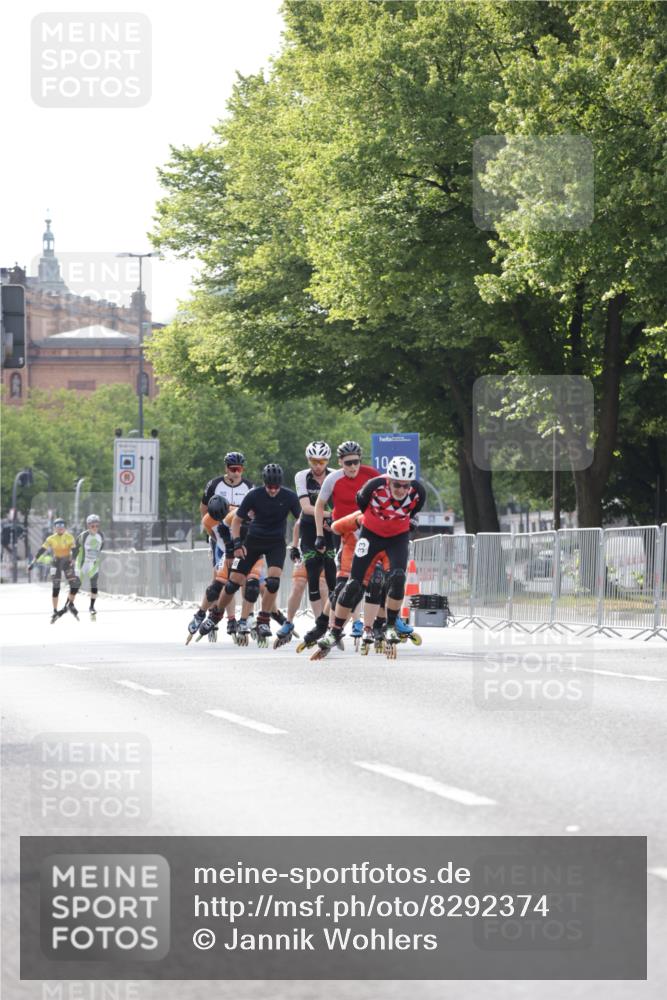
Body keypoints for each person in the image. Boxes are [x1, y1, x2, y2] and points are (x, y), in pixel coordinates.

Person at [314, 457, 425, 657]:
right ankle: (335, 631)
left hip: (397, 538)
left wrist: (399, 522)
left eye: (405, 485)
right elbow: (362, 504)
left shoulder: (418, 492)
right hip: (371, 535)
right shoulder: (374, 486)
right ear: (389, 480)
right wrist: (377, 520)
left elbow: (413, 511)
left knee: (398, 577)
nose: (401, 489)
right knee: (354, 584)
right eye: (397, 484)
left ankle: (390, 625)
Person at [199, 464, 301, 645]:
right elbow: (236, 520)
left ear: (280, 485)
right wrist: (236, 544)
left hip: (275, 543)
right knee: (232, 584)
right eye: (269, 487)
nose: (272, 491)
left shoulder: (289, 497)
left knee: (273, 582)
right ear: (264, 484)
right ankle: (216, 614)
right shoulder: (254, 495)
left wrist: (296, 545)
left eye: (276, 487)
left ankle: (263, 620)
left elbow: (301, 521)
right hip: (252, 541)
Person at [310, 441, 379, 643]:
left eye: (356, 462)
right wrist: (319, 535)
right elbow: (319, 506)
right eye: (348, 463)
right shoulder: (333, 478)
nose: (352, 467)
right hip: (343, 532)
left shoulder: (372, 474)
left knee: (376, 579)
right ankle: (326, 625)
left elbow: (391, 491)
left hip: (368, 530)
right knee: (344, 584)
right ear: (340, 462)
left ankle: (380, 624)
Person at [275, 442, 337, 646]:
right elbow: (306, 508)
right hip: (310, 530)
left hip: (331, 531)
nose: (318, 466)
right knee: (309, 577)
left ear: (328, 461)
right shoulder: (302, 476)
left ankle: (331, 624)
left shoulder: (335, 475)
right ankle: (319, 624)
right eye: (313, 461)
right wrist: (331, 514)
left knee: (331, 580)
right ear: (308, 460)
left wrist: (335, 520)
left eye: (322, 461)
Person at [200, 451, 253, 631]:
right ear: (226, 468)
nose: (236, 473)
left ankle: (246, 616)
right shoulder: (214, 484)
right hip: (219, 535)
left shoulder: (248, 486)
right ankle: (226, 616)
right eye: (232, 469)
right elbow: (204, 508)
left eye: (239, 469)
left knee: (243, 576)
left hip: (240, 536)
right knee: (219, 577)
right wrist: (210, 531)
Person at [28, 517, 81, 622]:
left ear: (65, 527)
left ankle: (70, 604)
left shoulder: (70, 537)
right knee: (56, 588)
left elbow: (75, 550)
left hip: (67, 562)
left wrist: (74, 559)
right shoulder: (51, 538)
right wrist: (33, 562)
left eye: (62, 526)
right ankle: (55, 610)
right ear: (55, 528)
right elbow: (41, 550)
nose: (60, 528)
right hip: (56, 563)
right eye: (58, 526)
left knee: (74, 585)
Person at [74, 514, 105, 620]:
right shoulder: (83, 535)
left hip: (93, 562)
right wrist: (73, 559)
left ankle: (92, 606)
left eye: (97, 526)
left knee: (94, 584)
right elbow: (75, 547)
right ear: (88, 526)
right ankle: (69, 604)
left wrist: (94, 557)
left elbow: (100, 548)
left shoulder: (101, 535)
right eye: (92, 526)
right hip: (82, 562)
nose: (95, 528)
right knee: (77, 584)